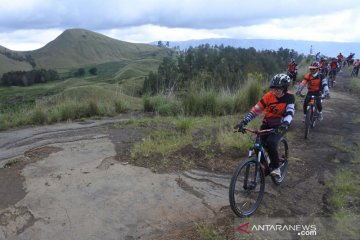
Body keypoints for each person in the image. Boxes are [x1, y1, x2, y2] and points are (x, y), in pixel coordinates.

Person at [234, 74, 295, 177]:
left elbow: (290, 113)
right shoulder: (268, 96)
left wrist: (285, 124)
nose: (276, 90)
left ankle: (276, 167)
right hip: (267, 124)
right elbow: (255, 110)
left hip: (280, 125)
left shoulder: (290, 97)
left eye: (279, 88)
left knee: (271, 143)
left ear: (285, 88)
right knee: (258, 146)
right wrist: (244, 122)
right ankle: (266, 167)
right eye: (274, 88)